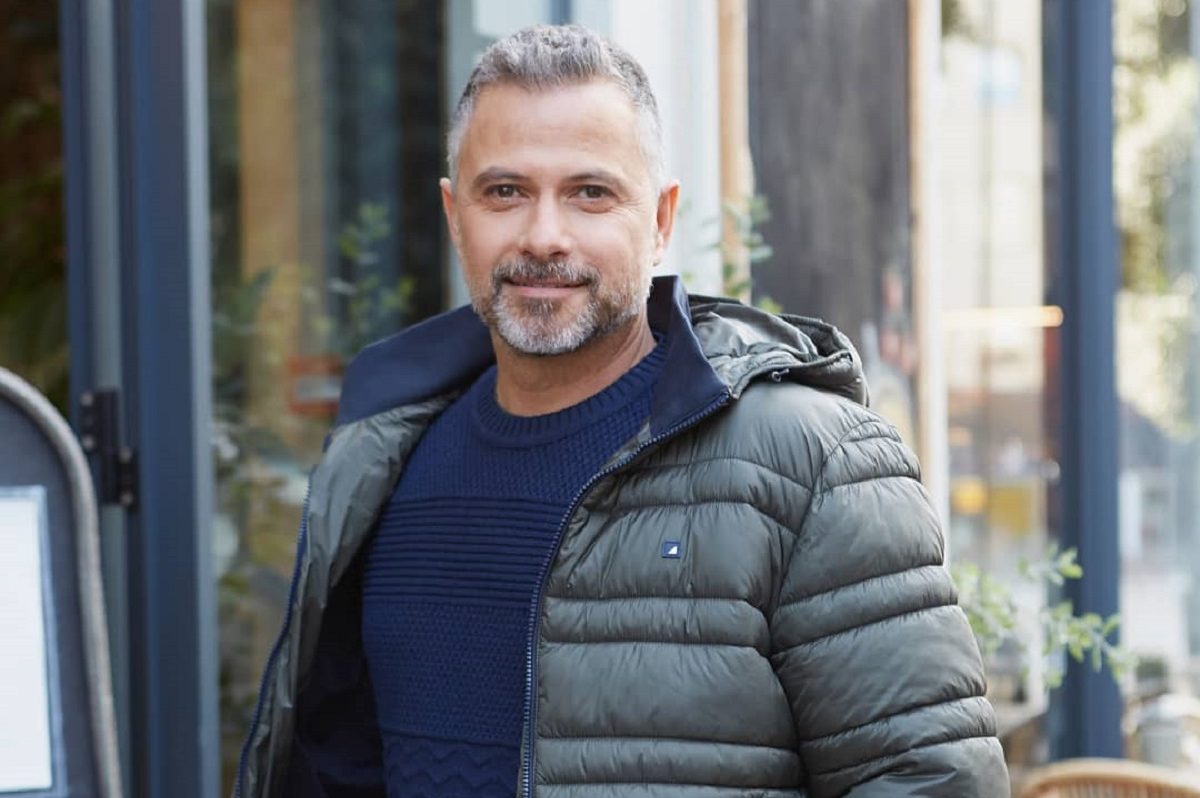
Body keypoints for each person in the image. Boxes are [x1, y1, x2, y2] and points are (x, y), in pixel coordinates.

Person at [236, 23, 1010, 798]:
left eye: (590, 193)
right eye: (505, 192)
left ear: (662, 221)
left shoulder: (813, 465)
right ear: (454, 215)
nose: (544, 236)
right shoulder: (380, 467)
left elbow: (931, 782)